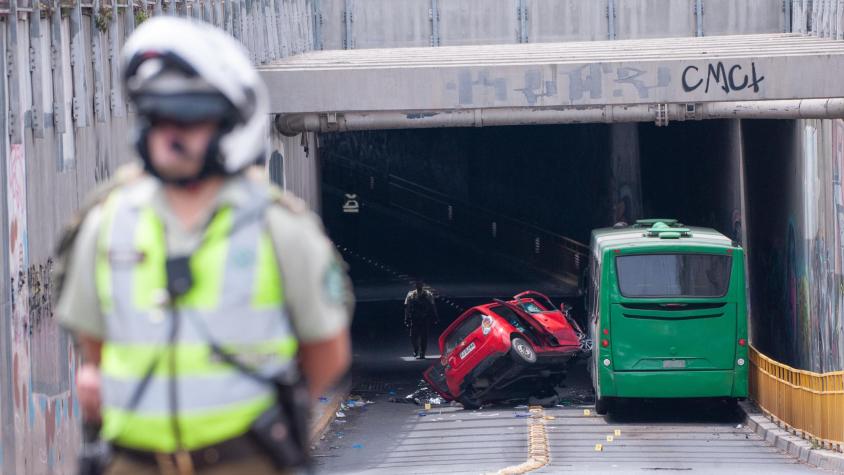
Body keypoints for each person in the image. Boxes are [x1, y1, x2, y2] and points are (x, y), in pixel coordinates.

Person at [55, 17, 352, 475]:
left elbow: (327, 348)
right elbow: (91, 347)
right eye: (157, 117)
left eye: (189, 119)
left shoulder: (278, 228)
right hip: (132, 459)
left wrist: (267, 417)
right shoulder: (106, 223)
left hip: (243, 457)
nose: (170, 136)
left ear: (229, 125)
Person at [403, 281, 438, 359]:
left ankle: (422, 353)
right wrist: (406, 318)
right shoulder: (411, 295)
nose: (419, 285)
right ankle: (416, 348)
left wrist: (435, 316)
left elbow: (433, 306)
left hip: (424, 319)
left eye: (420, 284)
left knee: (424, 337)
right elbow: (407, 307)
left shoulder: (428, 294)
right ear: (415, 285)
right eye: (417, 284)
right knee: (413, 336)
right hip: (414, 318)